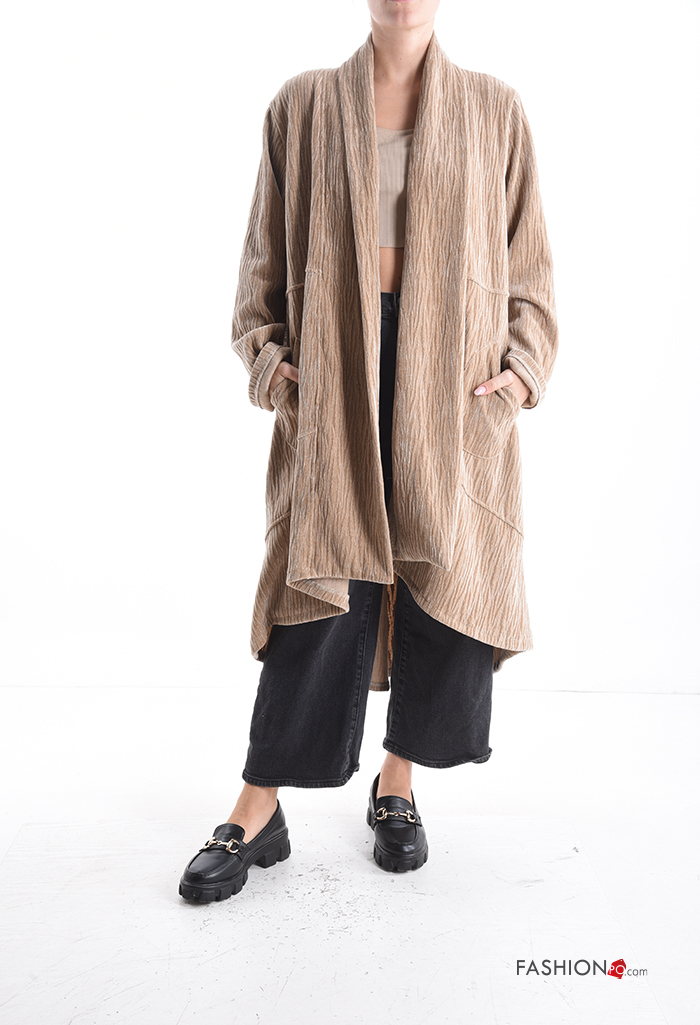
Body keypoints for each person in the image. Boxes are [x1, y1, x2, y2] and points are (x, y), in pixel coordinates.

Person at [179, 0, 558, 903]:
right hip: (336, 366)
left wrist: (520, 372)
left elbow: (531, 268)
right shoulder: (303, 105)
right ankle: (258, 805)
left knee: (441, 567)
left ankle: (398, 782)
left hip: (453, 376)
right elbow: (261, 266)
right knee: (323, 574)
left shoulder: (495, 108)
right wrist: (273, 365)